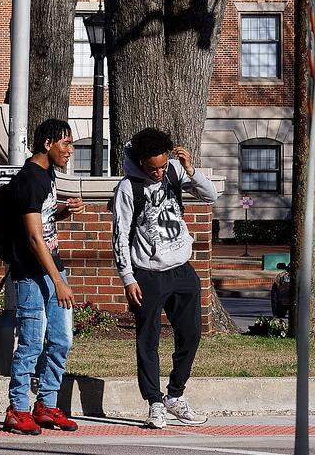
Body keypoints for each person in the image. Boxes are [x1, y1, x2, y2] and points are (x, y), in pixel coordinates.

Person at [110, 128, 218, 428]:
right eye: (152, 167)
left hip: (182, 269)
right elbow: (119, 236)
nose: (158, 172)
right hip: (147, 272)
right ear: (141, 161)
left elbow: (210, 196)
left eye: (162, 165)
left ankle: (175, 396)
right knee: (149, 339)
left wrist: (191, 170)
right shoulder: (128, 187)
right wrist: (128, 278)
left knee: (191, 334)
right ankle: (155, 403)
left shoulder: (174, 172)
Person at [0, 119, 83, 435]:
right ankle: (18, 409)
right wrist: (58, 280)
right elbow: (33, 237)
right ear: (48, 143)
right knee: (32, 342)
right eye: (66, 143)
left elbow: (40, 218)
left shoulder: (46, 175)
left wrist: (61, 212)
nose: (70, 150)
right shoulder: (31, 179)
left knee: (61, 339)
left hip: (51, 269)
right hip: (32, 274)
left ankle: (46, 405)